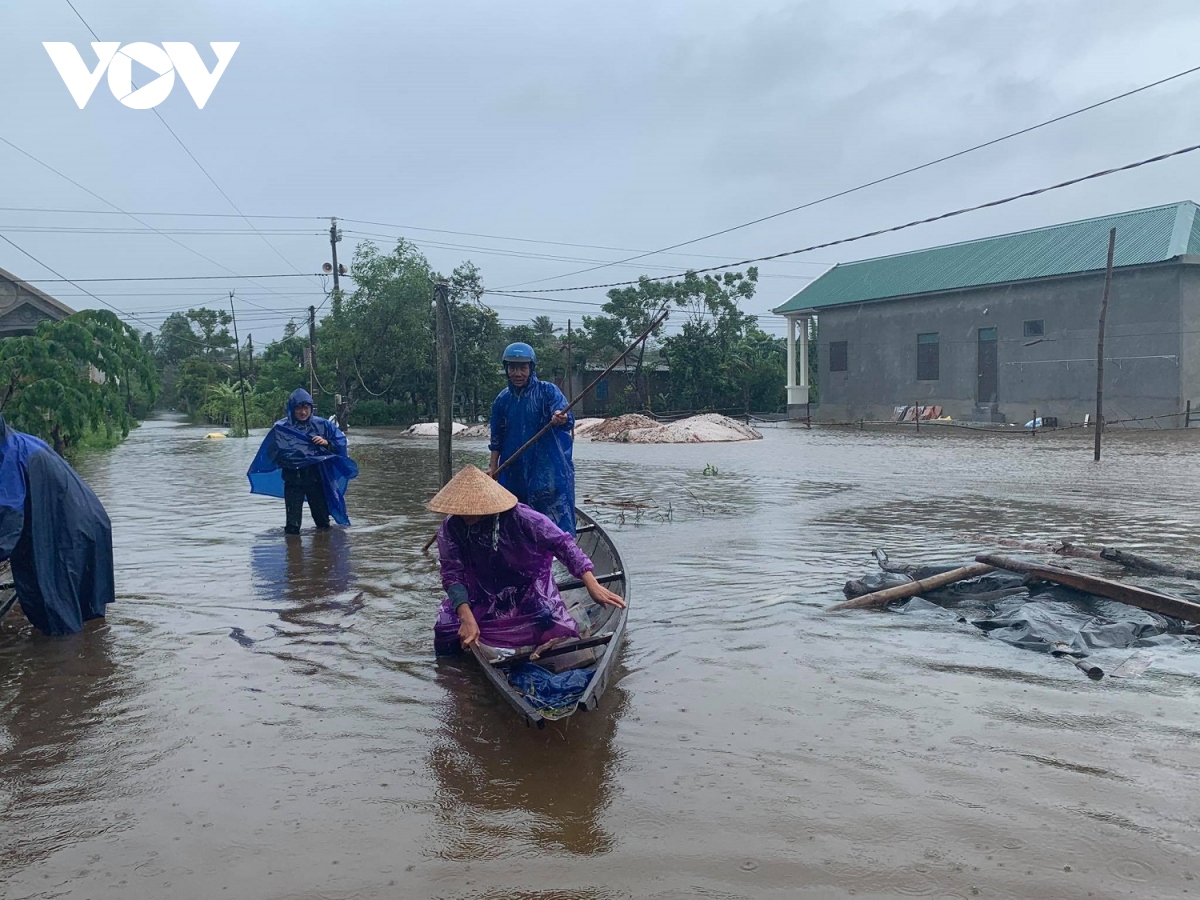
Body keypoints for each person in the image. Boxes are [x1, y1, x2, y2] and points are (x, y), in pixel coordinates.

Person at [430, 465, 624, 655]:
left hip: (527, 588)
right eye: (461, 510)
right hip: (481, 593)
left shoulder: (521, 517)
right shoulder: (452, 527)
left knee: (546, 621)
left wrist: (591, 583)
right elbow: (452, 575)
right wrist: (466, 617)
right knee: (446, 633)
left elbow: (562, 544)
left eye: (471, 509)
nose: (465, 515)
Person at [0, 415, 114, 635]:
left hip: (66, 539)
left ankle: (67, 667)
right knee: (88, 620)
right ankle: (92, 662)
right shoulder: (24, 442)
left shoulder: (8, 455)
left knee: (60, 623)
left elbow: (8, 520)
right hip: (90, 524)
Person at [488, 342, 576, 535]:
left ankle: (557, 555)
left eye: (522, 368)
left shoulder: (547, 391)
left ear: (531, 368)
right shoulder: (502, 400)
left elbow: (566, 417)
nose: (517, 373)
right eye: (512, 368)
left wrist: (560, 417)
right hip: (513, 469)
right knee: (515, 516)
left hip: (548, 469)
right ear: (506, 369)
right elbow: (496, 439)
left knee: (552, 517)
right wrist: (493, 467)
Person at [247, 388, 359, 534]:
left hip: (316, 479)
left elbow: (340, 445)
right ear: (292, 409)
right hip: (293, 480)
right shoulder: (281, 428)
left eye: (306, 408)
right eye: (298, 408)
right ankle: (293, 554)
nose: (303, 412)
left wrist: (326, 443)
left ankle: (323, 552)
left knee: (323, 522)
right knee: (292, 526)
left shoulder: (323, 425)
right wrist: (290, 455)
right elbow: (271, 453)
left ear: (311, 408)